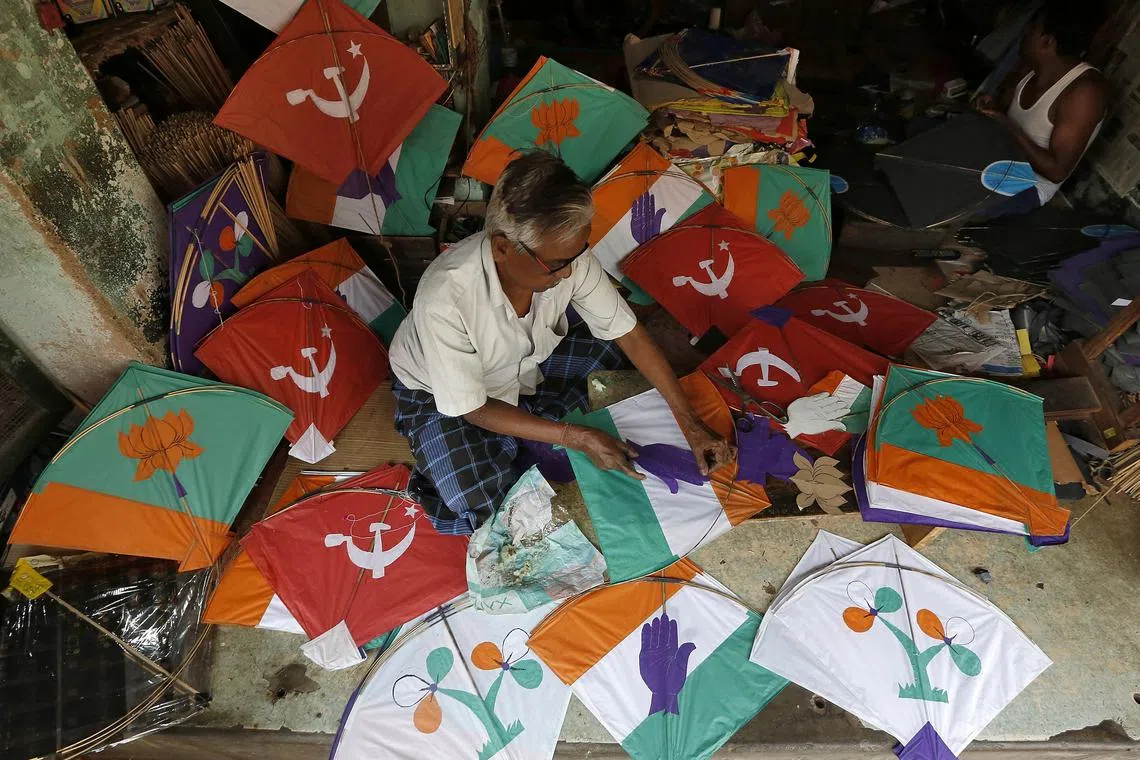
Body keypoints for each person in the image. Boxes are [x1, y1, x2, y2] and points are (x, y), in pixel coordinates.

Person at [389, 152, 736, 534]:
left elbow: (629, 334)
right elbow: (473, 409)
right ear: (503, 249)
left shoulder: (564, 256)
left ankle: (531, 428)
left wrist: (689, 423)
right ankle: (532, 430)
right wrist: (577, 436)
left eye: (578, 254)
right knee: (474, 500)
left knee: (611, 348)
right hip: (442, 392)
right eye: (556, 264)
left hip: (523, 368)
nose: (570, 271)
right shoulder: (446, 297)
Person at [974, 0, 1109, 215]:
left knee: (947, 196)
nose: (1024, 33)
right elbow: (1004, 110)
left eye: (1032, 28)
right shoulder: (1030, 67)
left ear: (1046, 41)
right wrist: (993, 107)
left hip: (1027, 183)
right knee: (925, 141)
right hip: (998, 155)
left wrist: (1007, 125)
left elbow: (1056, 171)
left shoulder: (1084, 91)